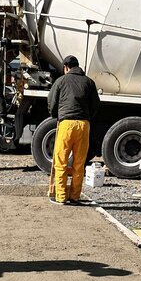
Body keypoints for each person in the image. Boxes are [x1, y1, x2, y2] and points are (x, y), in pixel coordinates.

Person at [47, 55, 100, 205]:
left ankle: (61, 196)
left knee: (61, 161)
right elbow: (96, 104)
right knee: (79, 163)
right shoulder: (89, 82)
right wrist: (87, 117)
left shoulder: (61, 81)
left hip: (66, 124)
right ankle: (75, 197)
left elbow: (52, 101)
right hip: (83, 124)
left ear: (66, 67)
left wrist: (55, 115)